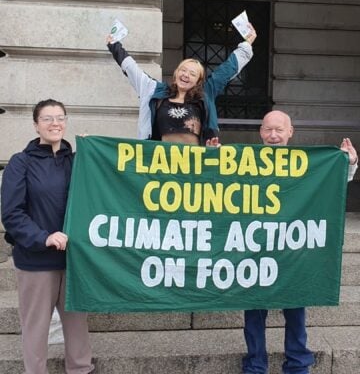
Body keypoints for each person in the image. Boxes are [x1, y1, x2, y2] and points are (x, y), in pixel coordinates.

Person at [242, 110, 358, 374]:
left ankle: (297, 364)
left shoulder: (306, 163)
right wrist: (210, 160)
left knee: (295, 311)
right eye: (268, 130)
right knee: (254, 314)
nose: (273, 135)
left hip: (292, 253)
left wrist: (346, 164)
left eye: (279, 130)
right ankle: (255, 365)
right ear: (260, 132)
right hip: (253, 250)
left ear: (290, 132)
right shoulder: (242, 163)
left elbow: (331, 185)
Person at [1, 99, 94, 374]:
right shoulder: (21, 162)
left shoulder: (77, 161)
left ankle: (80, 369)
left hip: (74, 260)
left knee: (77, 325)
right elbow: (12, 213)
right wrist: (44, 237)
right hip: (36, 261)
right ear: (36, 125)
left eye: (60, 117)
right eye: (47, 119)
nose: (55, 123)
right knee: (36, 327)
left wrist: (93, 152)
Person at [107, 22, 257, 146]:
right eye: (183, 70)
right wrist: (114, 45)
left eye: (192, 74)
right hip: (161, 162)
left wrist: (247, 44)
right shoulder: (155, 91)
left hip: (194, 162)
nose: (186, 75)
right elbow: (133, 70)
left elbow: (227, 69)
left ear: (198, 81)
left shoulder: (206, 92)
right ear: (176, 73)